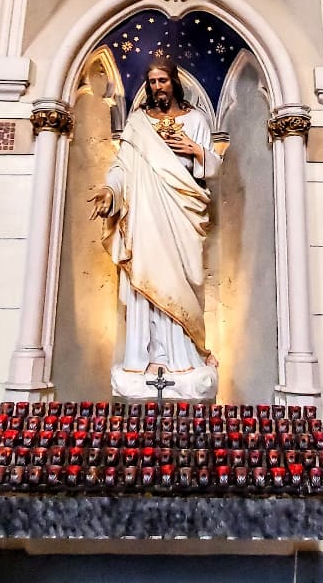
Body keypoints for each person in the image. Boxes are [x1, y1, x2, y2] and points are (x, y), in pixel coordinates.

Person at [89, 58, 221, 397]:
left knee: (183, 278)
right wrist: (110, 190)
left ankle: (185, 356)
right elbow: (122, 166)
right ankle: (143, 356)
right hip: (146, 215)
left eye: (163, 80)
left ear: (174, 82)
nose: (158, 87)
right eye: (152, 82)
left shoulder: (195, 120)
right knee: (145, 279)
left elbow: (213, 166)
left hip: (182, 213)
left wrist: (196, 151)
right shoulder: (137, 123)